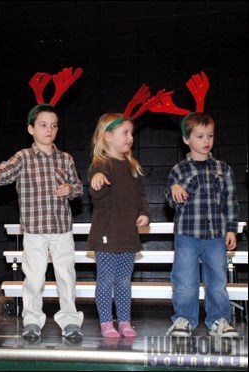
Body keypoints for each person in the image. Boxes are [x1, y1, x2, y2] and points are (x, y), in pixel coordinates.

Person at [0, 103, 84, 341]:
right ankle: (32, 320)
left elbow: (79, 187)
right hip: (34, 229)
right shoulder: (23, 156)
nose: (49, 130)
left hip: (61, 228)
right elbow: (5, 172)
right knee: (34, 278)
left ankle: (70, 321)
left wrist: (70, 188)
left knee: (66, 276)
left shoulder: (65, 158)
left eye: (53, 125)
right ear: (31, 129)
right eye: (43, 125)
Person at [165, 112, 240, 338]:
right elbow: (170, 201)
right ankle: (183, 320)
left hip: (216, 235)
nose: (206, 141)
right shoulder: (178, 171)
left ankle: (219, 320)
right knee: (185, 280)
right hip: (187, 234)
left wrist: (232, 229)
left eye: (210, 135)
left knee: (217, 280)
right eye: (200, 136)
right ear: (186, 139)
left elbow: (230, 201)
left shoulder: (223, 169)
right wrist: (174, 190)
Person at [87, 113, 150, 338]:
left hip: (127, 236)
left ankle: (124, 321)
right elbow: (96, 194)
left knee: (124, 281)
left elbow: (140, 196)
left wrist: (144, 214)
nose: (130, 137)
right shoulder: (100, 165)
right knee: (106, 279)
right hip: (106, 235)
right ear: (109, 136)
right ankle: (106, 322)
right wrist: (97, 182)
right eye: (125, 133)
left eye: (131, 133)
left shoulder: (132, 166)